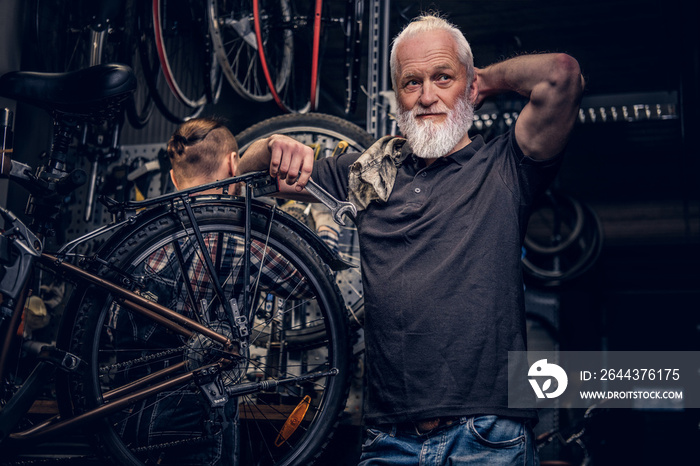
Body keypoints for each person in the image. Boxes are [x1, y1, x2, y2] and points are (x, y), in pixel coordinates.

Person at [237, 13, 585, 466]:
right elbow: (240, 182)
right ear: (398, 98)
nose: (427, 97)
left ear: (470, 87)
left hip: (486, 437)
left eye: (443, 78)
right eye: (411, 82)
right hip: (389, 442)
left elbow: (562, 74)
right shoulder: (366, 174)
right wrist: (271, 147)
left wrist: (485, 79)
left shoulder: (504, 168)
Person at [109, 117, 313, 465]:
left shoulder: (141, 238)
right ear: (233, 164)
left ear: (173, 178)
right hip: (195, 420)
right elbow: (305, 280)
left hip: (123, 414)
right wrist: (321, 222)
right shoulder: (233, 238)